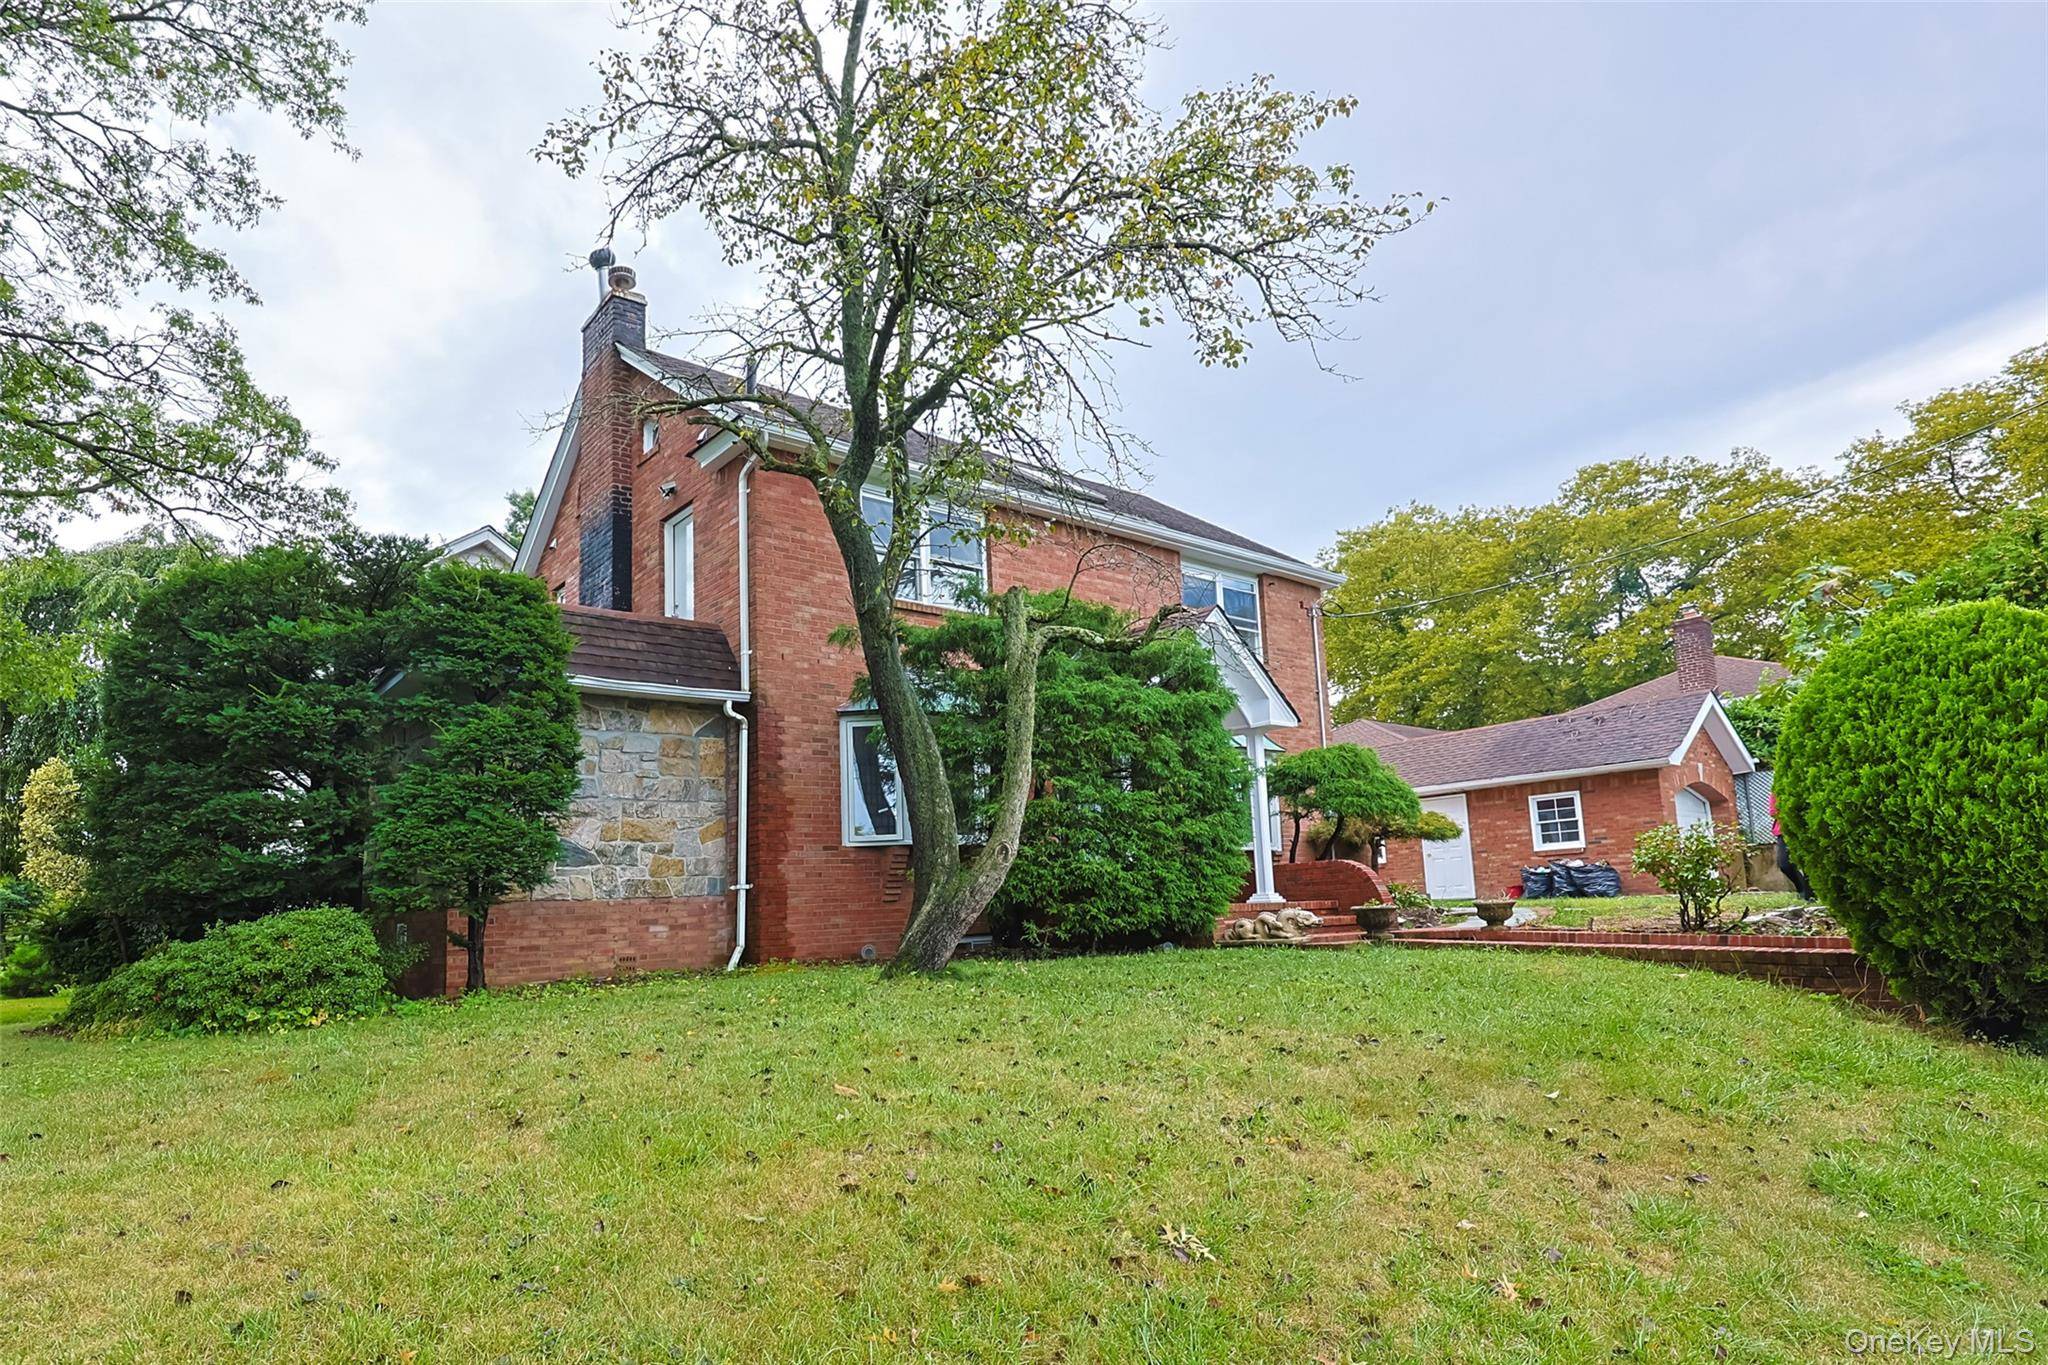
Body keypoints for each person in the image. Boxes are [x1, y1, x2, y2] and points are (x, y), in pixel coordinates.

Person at [1770, 789, 1814, 901]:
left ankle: (1810, 895)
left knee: (1808, 862)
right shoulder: (1778, 788)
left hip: (1805, 827)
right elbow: (1773, 811)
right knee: (1784, 864)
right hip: (1784, 830)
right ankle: (1801, 889)